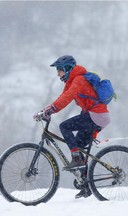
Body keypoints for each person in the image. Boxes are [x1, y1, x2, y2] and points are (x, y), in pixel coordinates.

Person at [33, 55, 111, 199]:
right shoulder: (72, 81)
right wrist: (46, 110)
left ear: (67, 68)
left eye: (59, 70)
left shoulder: (79, 80)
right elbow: (61, 98)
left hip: (96, 115)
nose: (58, 74)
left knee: (65, 126)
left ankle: (75, 158)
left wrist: (50, 110)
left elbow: (66, 98)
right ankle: (86, 185)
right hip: (94, 116)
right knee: (79, 146)